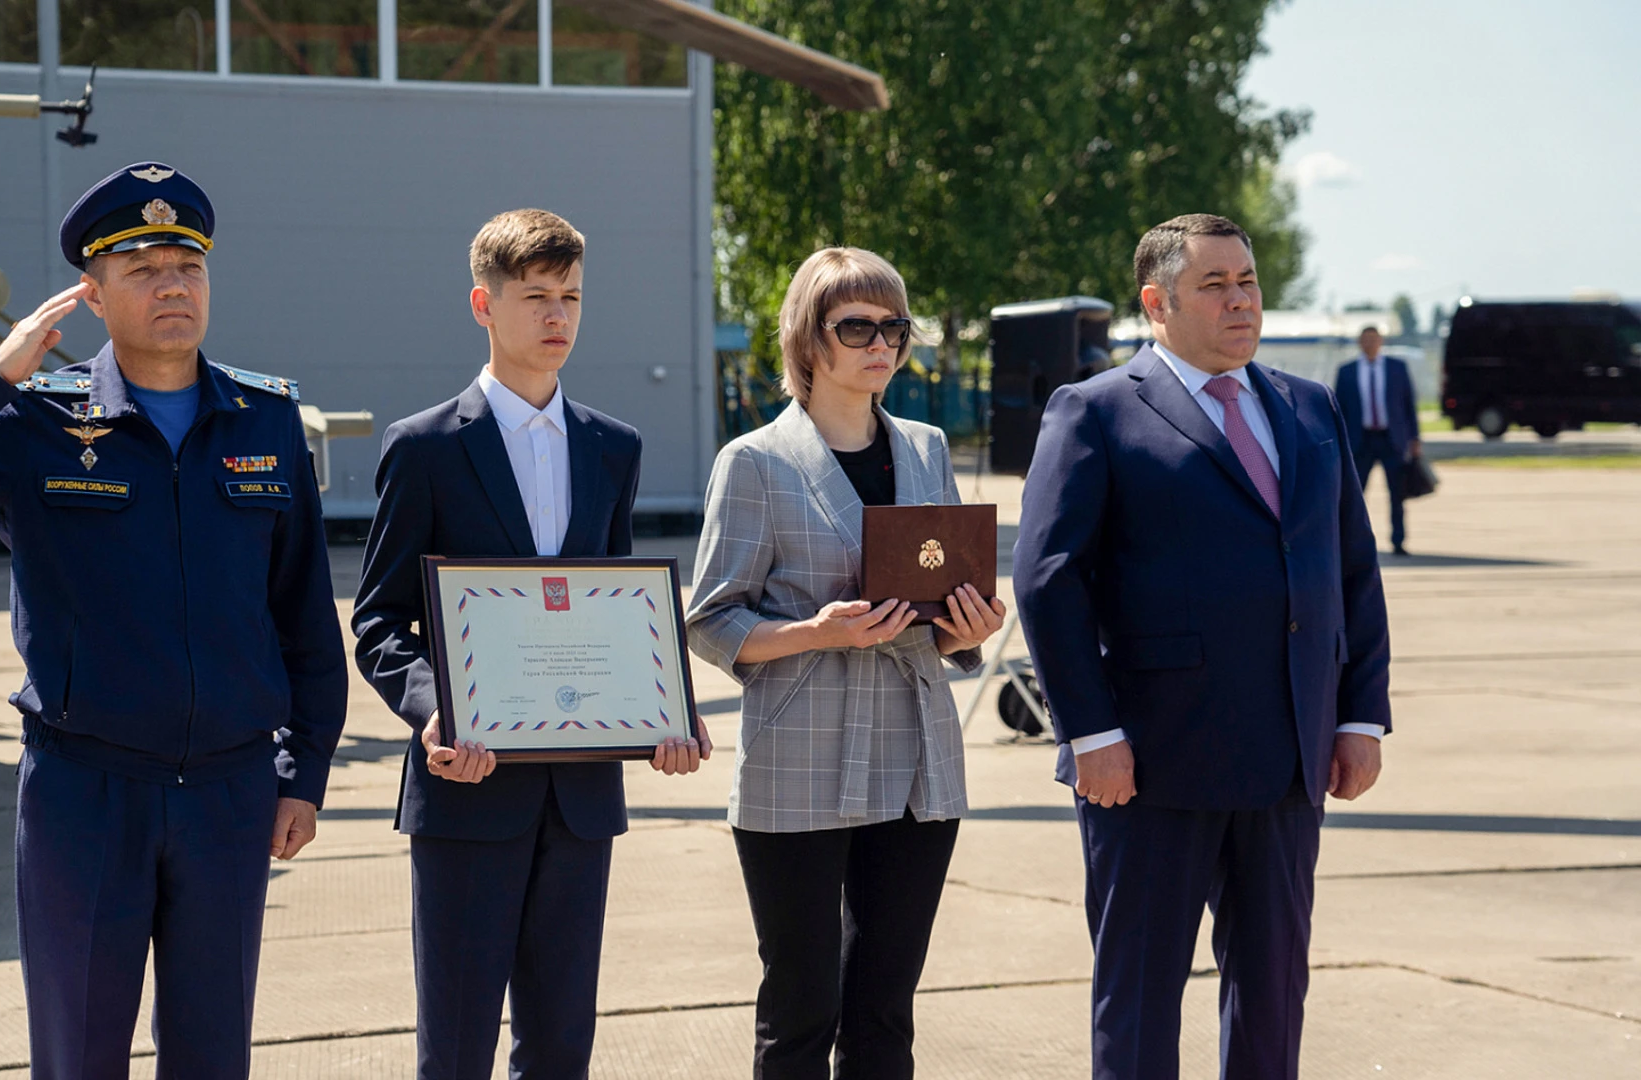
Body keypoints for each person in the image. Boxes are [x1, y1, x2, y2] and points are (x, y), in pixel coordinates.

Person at [0, 162, 348, 1078]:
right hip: (86, 795)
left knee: (213, 1055)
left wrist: (301, 773)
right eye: (144, 270)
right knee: (79, 1054)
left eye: (187, 268)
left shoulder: (264, 422)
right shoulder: (32, 423)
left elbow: (306, 617)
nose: (172, 288)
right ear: (94, 293)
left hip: (230, 798)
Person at [1013, 214, 1393, 1080]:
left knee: (1271, 996)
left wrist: (1361, 715)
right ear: (1157, 303)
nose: (1239, 301)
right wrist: (1090, 734)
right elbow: (1048, 580)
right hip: (1151, 767)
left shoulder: (1309, 407)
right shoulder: (1097, 411)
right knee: (1140, 997)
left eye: (1248, 282)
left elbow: (1352, 573)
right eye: (1215, 285)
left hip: (1290, 760)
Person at [351, 208, 708, 1080]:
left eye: (573, 297)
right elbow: (379, 620)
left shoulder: (611, 447)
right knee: (459, 1047)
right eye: (536, 296)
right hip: (468, 787)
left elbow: (621, 612)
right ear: (484, 303)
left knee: (560, 1048)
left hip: (581, 795)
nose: (557, 317)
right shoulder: (426, 448)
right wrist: (437, 713)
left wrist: (666, 713)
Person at [686, 248, 1008, 1080]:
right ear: (807, 338)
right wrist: (817, 631)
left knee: (883, 1015)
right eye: (855, 325)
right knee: (800, 1009)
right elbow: (712, 620)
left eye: (894, 326)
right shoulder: (754, 462)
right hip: (801, 758)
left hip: (918, 757)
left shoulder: (929, 447)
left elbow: (937, 614)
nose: (881, 343)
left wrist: (968, 626)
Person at [1335, 326, 1421, 555]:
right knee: (1354, 495)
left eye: (1374, 339)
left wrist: (1414, 439)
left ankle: (1398, 541)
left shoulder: (1396, 369)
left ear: (1381, 341)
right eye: (1366, 339)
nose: (1370, 343)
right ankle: (1351, 543)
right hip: (1360, 441)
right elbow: (1338, 410)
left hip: (1391, 440)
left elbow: (1408, 405)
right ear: (1359, 342)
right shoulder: (1347, 371)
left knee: (1397, 494)